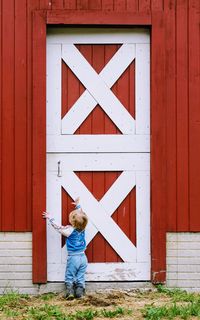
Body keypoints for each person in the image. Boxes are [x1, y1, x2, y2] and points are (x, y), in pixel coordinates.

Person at [43, 198, 88, 299]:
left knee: (70, 274)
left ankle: (70, 292)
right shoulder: (83, 228)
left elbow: (58, 227)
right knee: (80, 275)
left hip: (74, 258)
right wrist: (78, 206)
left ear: (72, 221)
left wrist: (50, 218)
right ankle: (80, 292)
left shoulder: (69, 230)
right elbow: (82, 215)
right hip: (83, 257)